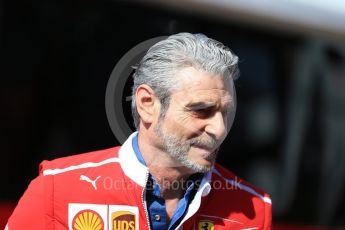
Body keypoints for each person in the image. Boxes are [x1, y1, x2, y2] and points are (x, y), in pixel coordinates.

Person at [6, 33, 272, 230]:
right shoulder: (58, 188)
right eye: (201, 110)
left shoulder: (254, 208)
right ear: (147, 104)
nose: (219, 128)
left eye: (225, 112)